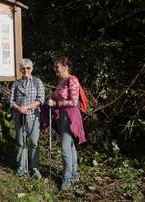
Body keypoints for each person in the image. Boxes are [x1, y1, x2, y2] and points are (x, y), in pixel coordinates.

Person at [47, 56, 86, 189]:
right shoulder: (61, 81)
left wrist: (56, 103)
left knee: (64, 147)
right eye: (54, 67)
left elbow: (74, 102)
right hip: (62, 115)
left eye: (57, 66)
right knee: (69, 146)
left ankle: (67, 177)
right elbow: (56, 97)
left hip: (70, 116)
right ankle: (74, 174)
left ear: (65, 67)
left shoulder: (72, 80)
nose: (54, 69)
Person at [10, 58, 45, 178]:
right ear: (20, 69)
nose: (26, 70)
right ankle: (21, 167)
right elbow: (11, 101)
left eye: (28, 68)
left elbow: (41, 99)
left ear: (32, 69)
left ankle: (35, 168)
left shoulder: (37, 82)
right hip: (19, 117)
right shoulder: (16, 84)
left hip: (34, 118)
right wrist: (19, 108)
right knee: (21, 143)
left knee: (34, 143)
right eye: (23, 68)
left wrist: (27, 107)